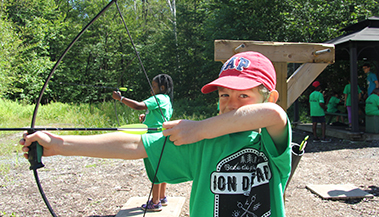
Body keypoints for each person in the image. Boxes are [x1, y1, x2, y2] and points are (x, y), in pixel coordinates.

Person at [20, 51, 291, 217]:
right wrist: (59, 144)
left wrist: (199, 128)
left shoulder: (270, 143)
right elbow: (135, 144)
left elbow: (273, 115)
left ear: (271, 97)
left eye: (244, 95)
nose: (231, 103)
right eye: (224, 95)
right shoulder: (203, 144)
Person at [112, 74, 173, 212]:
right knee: (161, 168)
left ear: (162, 87)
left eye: (154, 86)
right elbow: (159, 116)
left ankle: (155, 202)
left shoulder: (158, 98)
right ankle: (162, 197)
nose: (152, 88)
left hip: (152, 140)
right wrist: (146, 117)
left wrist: (120, 98)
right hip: (161, 137)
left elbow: (138, 106)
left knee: (154, 170)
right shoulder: (166, 99)